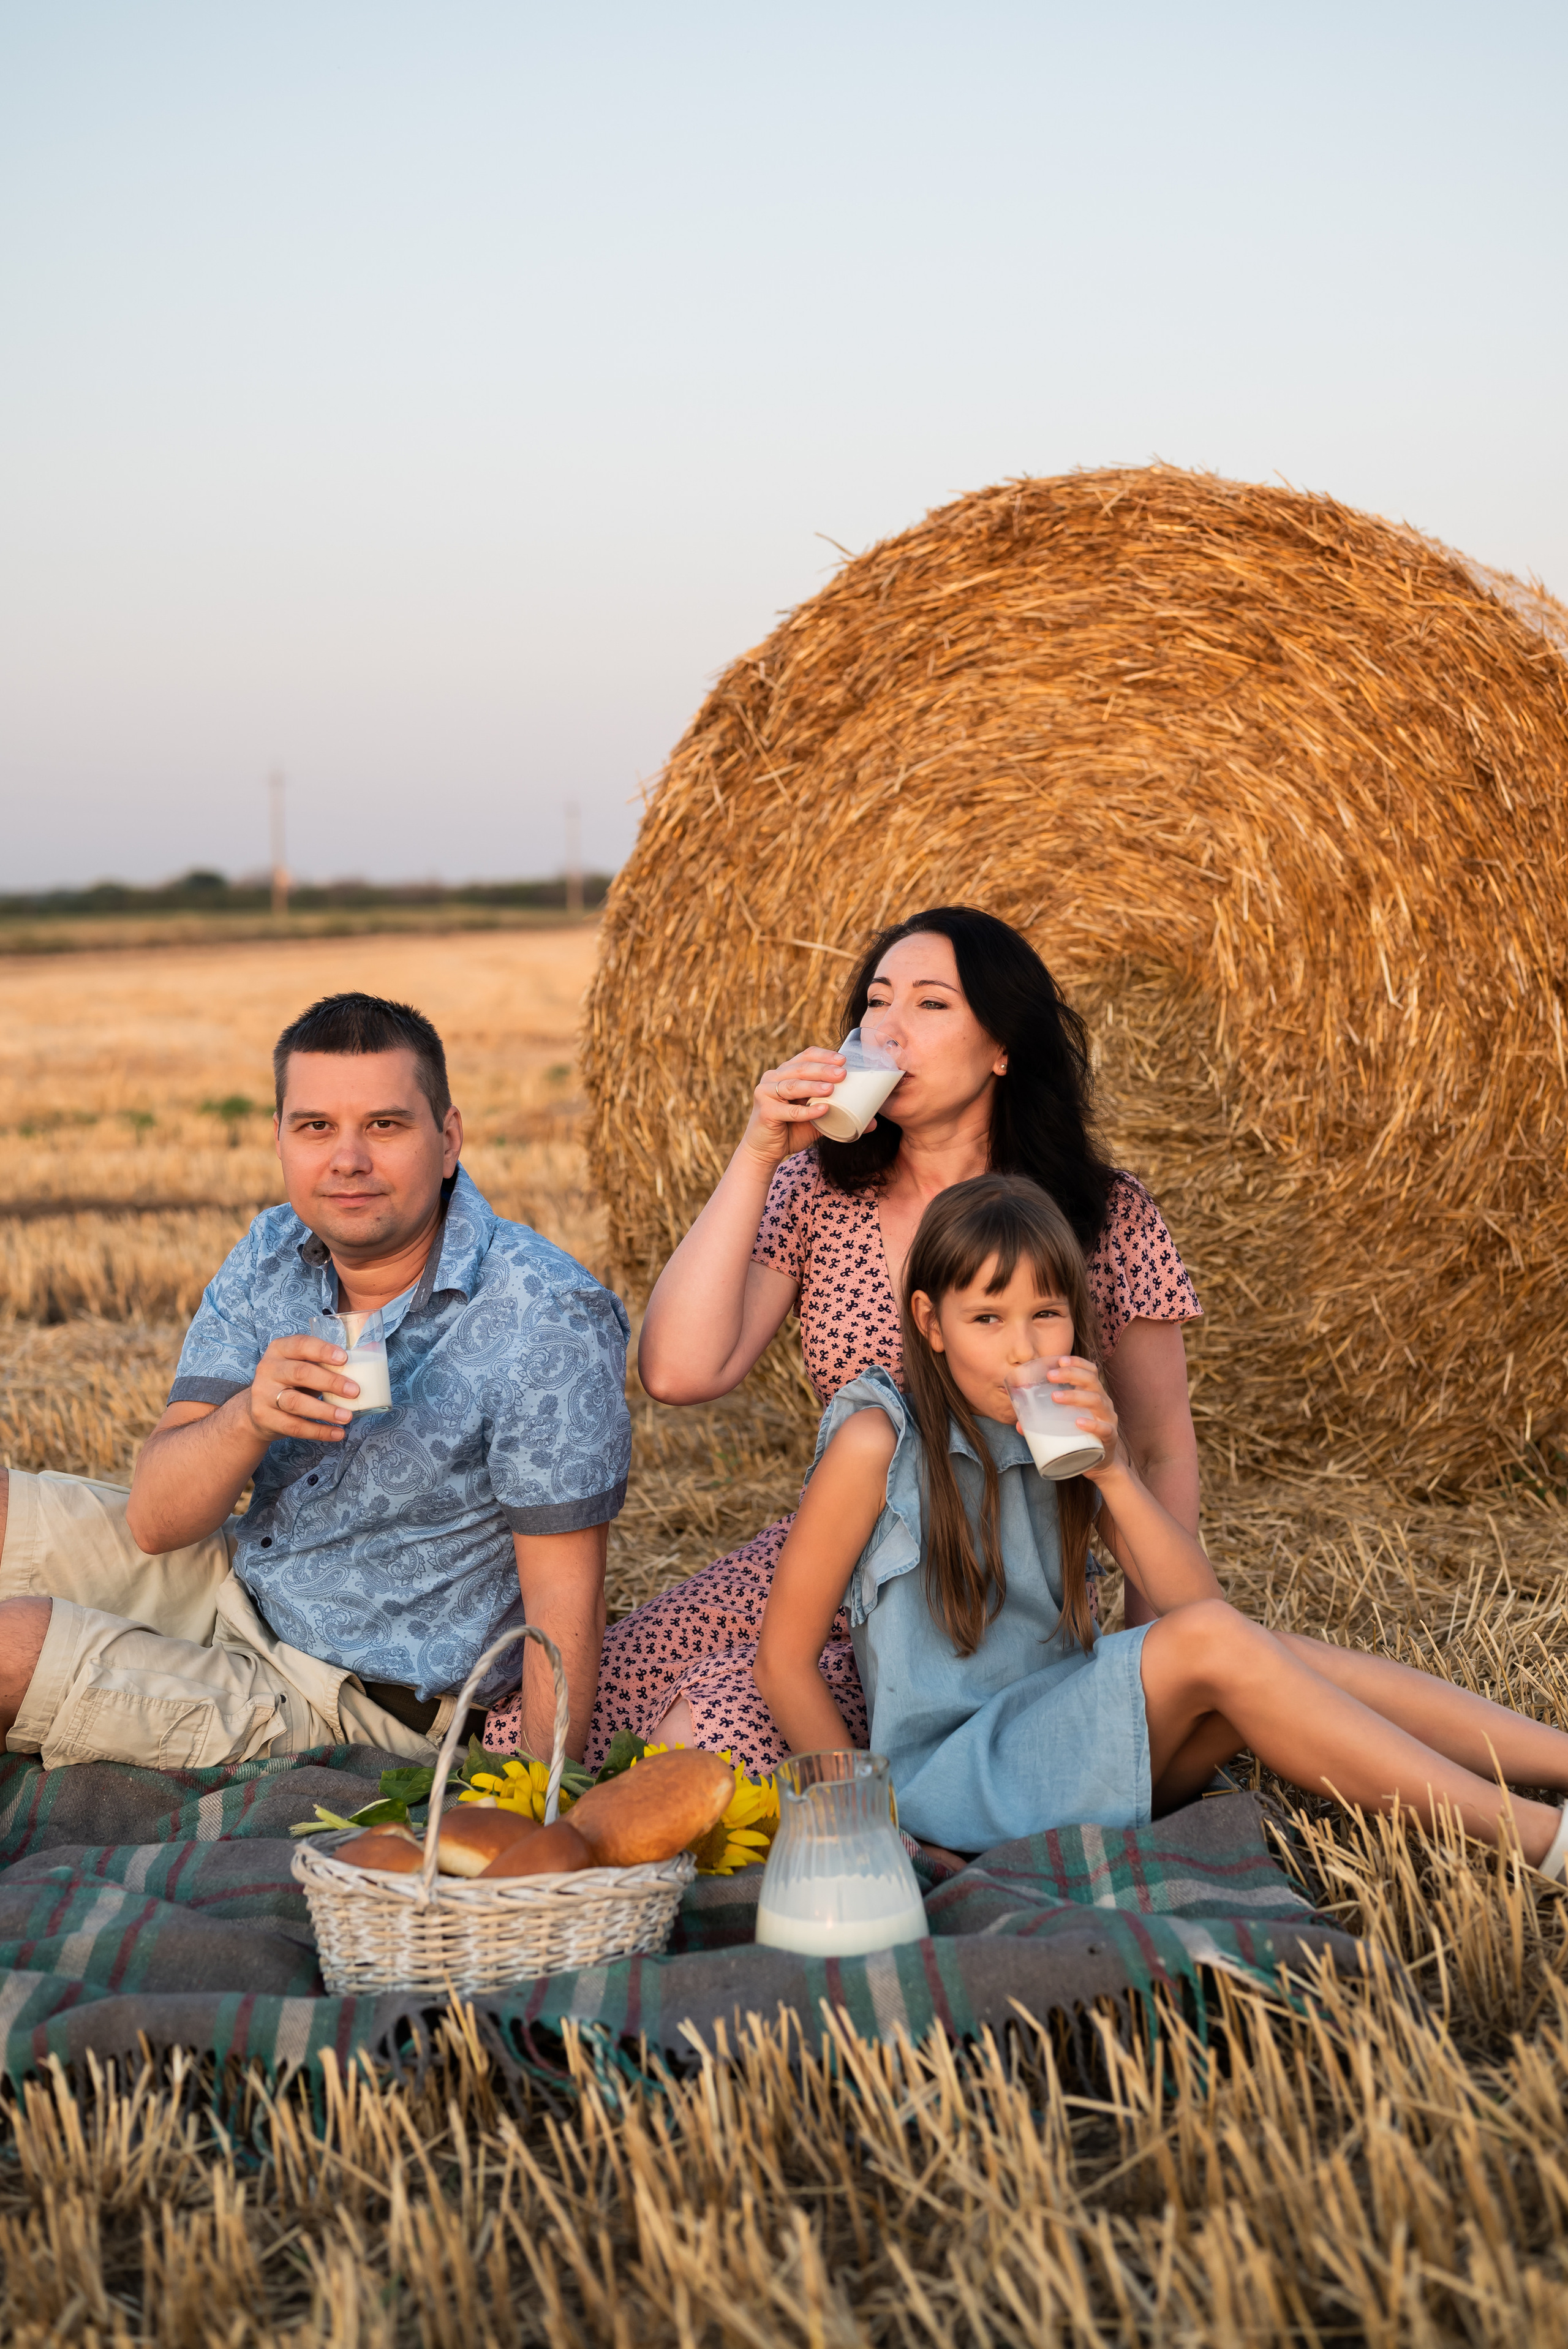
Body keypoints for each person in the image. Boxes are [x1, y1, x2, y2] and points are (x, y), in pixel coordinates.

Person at [484, 904, 1207, 1776]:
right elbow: (678, 1370)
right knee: (547, 1733)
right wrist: (759, 1154)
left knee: (713, 1737)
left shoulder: (1104, 1214)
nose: (889, 1028)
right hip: (822, 1568)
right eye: (876, 1000)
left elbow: (1162, 1447)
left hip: (992, 1595)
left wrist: (1142, 1658)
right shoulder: (819, 1191)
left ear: (1004, 1046)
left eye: (932, 1005)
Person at [752, 1173, 1568, 1876]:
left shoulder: (1069, 1428)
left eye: (1046, 1313)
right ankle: (1539, 1839)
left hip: (1072, 1733)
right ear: (931, 1323)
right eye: (987, 1318)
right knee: (1220, 1645)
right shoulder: (876, 1443)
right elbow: (784, 1657)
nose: (1022, 1349)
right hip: (957, 1779)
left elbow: (1196, 1603)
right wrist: (867, 1822)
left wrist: (1113, 1469)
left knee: (1259, 1652)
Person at [0, 993, 631, 1772]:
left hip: (356, 1695)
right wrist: (246, 1421)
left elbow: (565, 1611)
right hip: (244, 1578)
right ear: (280, 1140)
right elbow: (158, 1525)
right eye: (316, 1127)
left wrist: (540, 1813)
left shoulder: (543, 1316)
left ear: (448, 1138)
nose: (348, 1160)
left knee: (10, 1646)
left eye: (386, 1125)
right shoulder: (272, 1247)